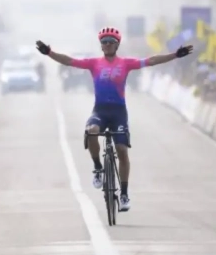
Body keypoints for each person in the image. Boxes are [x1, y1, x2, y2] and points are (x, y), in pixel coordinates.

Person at [35, 27, 193, 212]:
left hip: (119, 113)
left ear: (117, 44)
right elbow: (69, 61)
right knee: (91, 131)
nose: (107, 45)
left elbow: (151, 60)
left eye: (111, 42)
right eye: (104, 42)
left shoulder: (126, 63)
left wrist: (175, 55)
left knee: (121, 151)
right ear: (101, 45)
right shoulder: (93, 63)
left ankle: (124, 194)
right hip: (100, 111)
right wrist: (49, 52)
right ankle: (97, 168)